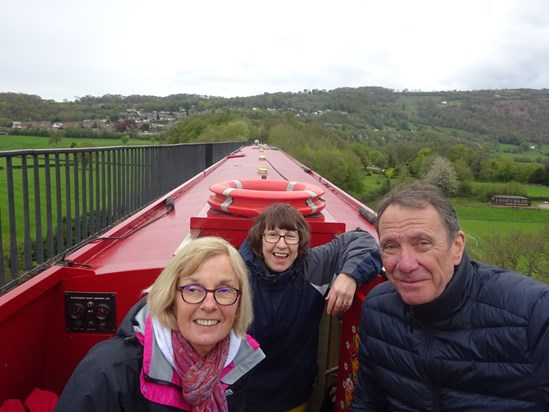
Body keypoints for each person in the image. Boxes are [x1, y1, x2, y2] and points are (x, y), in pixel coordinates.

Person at [350, 182, 549, 411]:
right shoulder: (377, 309)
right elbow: (367, 402)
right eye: (391, 246)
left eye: (422, 243)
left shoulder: (535, 314)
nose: (405, 264)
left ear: (457, 246)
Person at [55, 236, 265, 412]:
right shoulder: (108, 372)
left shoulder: (239, 360)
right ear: (171, 298)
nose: (209, 305)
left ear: (239, 302)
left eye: (224, 290)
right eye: (193, 289)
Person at [239, 203, 382, 412]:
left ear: (300, 241)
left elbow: (365, 242)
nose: (281, 245)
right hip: (239, 396)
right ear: (259, 240)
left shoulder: (313, 266)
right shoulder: (236, 268)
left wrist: (349, 275)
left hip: (292, 395)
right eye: (272, 235)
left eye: (290, 236)